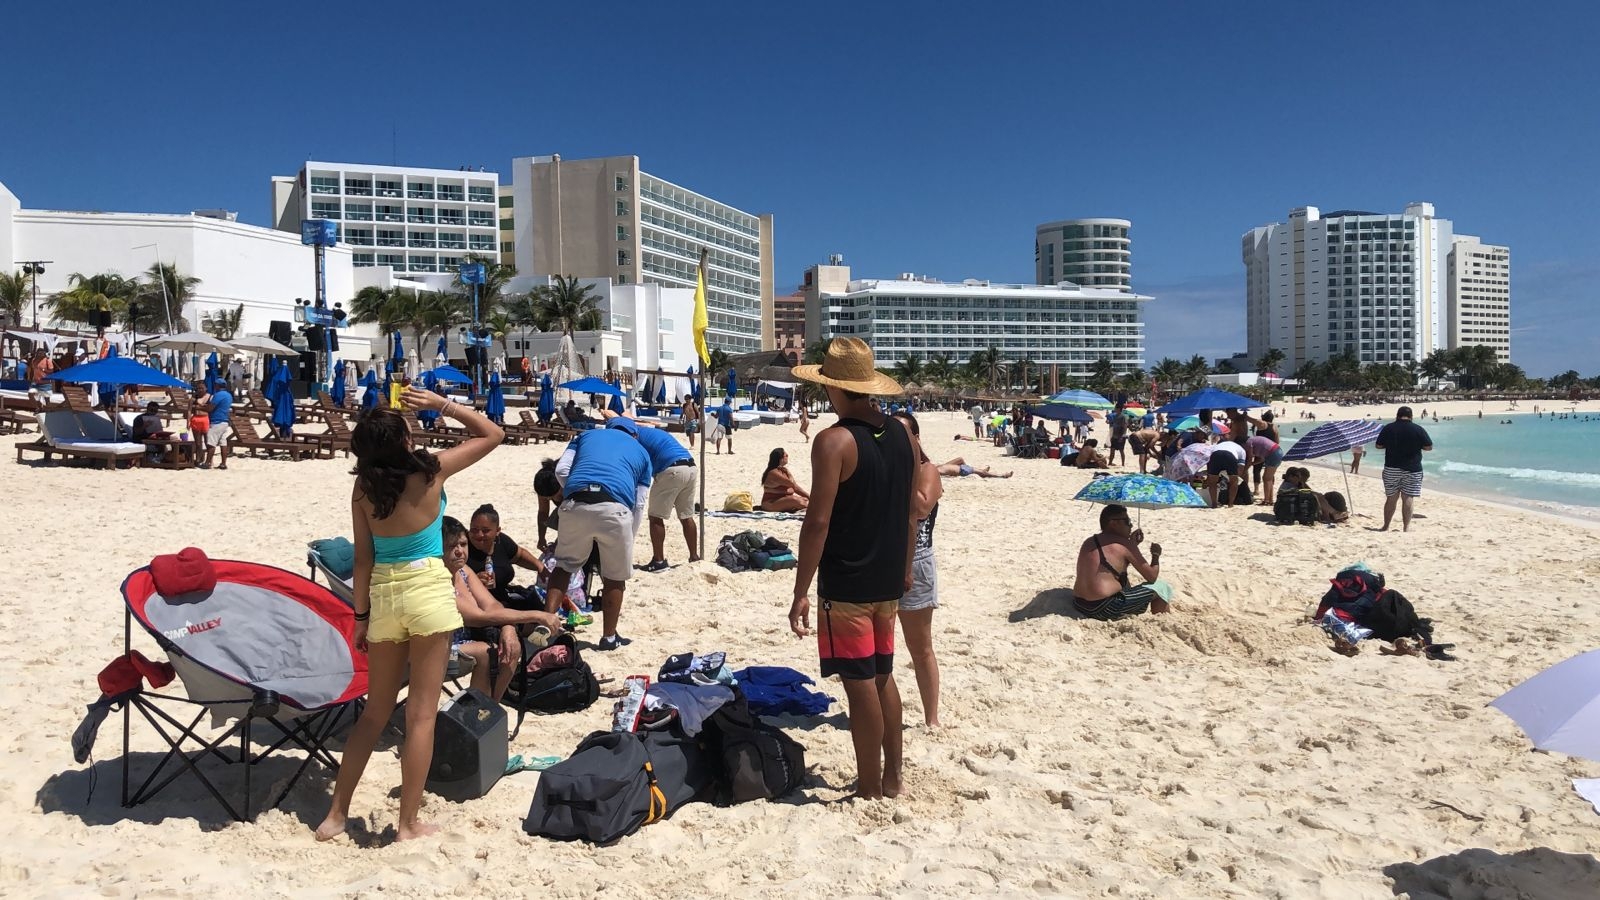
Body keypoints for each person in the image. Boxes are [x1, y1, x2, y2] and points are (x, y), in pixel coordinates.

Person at [316, 390, 504, 843]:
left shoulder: (363, 488)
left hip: (384, 596)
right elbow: (493, 433)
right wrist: (442, 404)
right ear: (402, 439)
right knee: (420, 717)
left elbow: (363, 559)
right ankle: (407, 825)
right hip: (428, 594)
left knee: (373, 714)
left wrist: (360, 617)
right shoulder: (430, 471)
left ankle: (336, 816)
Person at [789, 337, 917, 800]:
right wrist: (904, 568)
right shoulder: (904, 432)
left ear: (833, 388)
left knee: (859, 684)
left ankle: (868, 788)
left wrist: (801, 590)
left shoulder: (833, 441)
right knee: (884, 677)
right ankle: (893, 777)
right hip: (888, 576)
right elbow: (910, 511)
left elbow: (817, 522)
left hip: (848, 580)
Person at [547, 417, 653, 650]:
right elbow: (640, 502)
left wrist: (576, 489)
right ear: (633, 435)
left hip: (575, 502)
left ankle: (546, 624)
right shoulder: (642, 453)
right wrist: (629, 536)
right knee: (615, 576)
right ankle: (609, 637)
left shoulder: (585, 436)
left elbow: (562, 470)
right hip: (615, 509)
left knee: (564, 566)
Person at [443, 515, 563, 700]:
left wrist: (508, 628)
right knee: (488, 651)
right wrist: (538, 615)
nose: (459, 551)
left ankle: (491, 706)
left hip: (471, 638)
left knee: (511, 645)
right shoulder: (438, 579)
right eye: (452, 546)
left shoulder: (463, 571)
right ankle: (480, 710)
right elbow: (477, 616)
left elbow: (492, 605)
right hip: (441, 646)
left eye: (462, 544)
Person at [892, 412, 942, 728]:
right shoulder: (886, 468)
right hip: (882, 562)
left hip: (917, 563)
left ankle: (931, 718)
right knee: (875, 649)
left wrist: (904, 468)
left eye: (902, 434)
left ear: (916, 438)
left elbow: (922, 506)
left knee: (920, 648)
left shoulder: (927, 470)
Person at [1070, 504, 1172, 620]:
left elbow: (1115, 567)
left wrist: (1133, 545)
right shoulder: (1124, 544)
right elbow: (1152, 576)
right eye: (1127, 521)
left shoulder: (1089, 541)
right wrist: (1155, 555)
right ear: (1113, 523)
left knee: (1123, 581)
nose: (1131, 525)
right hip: (1106, 607)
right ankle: (1164, 622)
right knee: (1161, 587)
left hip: (1080, 604)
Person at [631, 419, 700, 571]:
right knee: (686, 516)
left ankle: (659, 561)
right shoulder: (652, 432)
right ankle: (694, 557)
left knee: (656, 517)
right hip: (690, 466)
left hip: (671, 470)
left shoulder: (634, 439)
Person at [466, 504, 545, 609]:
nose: (479, 535)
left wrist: (539, 566)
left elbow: (519, 555)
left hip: (503, 599)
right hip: (477, 605)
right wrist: (474, 582)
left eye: (485, 531)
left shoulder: (501, 541)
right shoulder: (463, 547)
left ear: (497, 531)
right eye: (474, 530)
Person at [1376, 406, 1433, 532]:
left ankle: (1386, 526)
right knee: (1408, 497)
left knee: (1391, 497)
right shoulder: (1418, 429)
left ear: (1397, 415)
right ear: (1411, 416)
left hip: (1392, 467)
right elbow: (1429, 447)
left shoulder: (1389, 428)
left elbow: (1378, 445)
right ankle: (1406, 527)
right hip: (1413, 468)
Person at [760, 448, 810, 512]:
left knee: (804, 499)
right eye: (786, 455)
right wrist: (788, 473)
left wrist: (809, 497)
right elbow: (791, 484)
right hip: (770, 503)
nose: (787, 456)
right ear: (780, 459)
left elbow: (796, 488)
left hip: (782, 499)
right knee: (795, 500)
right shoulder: (773, 473)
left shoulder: (783, 470)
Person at [200, 381, 234, 471]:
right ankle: (223, 463)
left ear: (217, 385)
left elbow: (210, 408)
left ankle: (207, 463)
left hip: (216, 421)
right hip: (225, 421)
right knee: (223, 443)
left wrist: (199, 407)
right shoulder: (229, 395)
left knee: (211, 443)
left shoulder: (218, 395)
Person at [1204, 439, 1247, 507]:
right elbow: (1241, 468)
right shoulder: (1241, 450)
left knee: (1212, 482)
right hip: (1229, 456)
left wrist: (1209, 476)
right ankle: (1230, 504)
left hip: (1215, 455)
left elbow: (1209, 462)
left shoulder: (1217, 446)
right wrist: (1235, 477)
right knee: (1234, 482)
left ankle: (1214, 504)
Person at [1244, 433, 1284, 506]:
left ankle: (1266, 500)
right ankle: (1270, 500)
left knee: (1266, 478)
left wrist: (1244, 470)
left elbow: (1249, 459)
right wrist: (1253, 463)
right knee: (1269, 478)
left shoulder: (1248, 443)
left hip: (1273, 453)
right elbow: (1261, 459)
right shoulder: (1254, 442)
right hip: (1277, 451)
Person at [936, 457, 1011, 478]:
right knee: (983, 473)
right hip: (962, 470)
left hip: (961, 468)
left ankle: (981, 471)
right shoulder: (936, 471)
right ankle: (1002, 475)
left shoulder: (935, 467)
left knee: (960, 459)